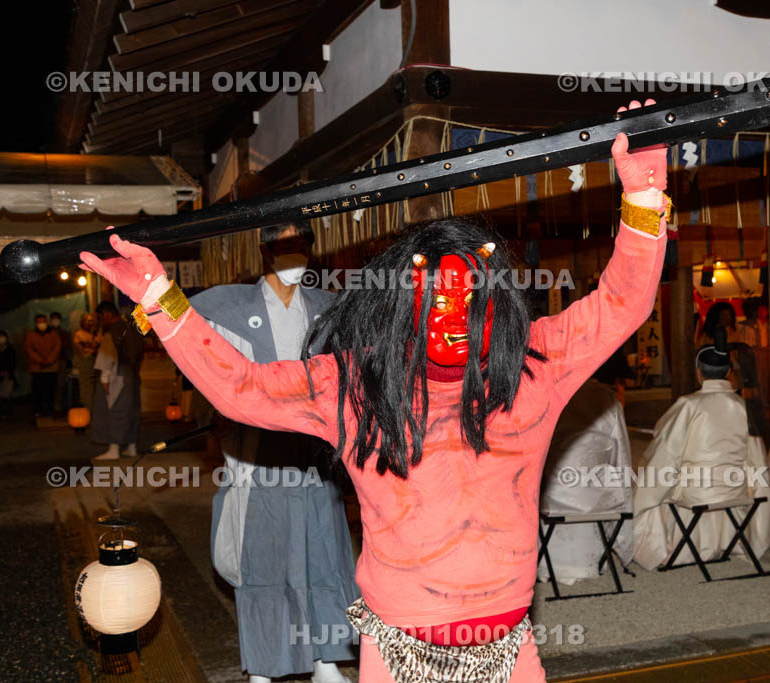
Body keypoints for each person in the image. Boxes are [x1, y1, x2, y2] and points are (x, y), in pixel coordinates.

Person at [80, 108, 667, 681]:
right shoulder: (354, 388)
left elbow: (624, 303)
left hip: (510, 651)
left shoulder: (532, 367)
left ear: (495, 305)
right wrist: (158, 298)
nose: (452, 317)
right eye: (434, 299)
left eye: (467, 299)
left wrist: (642, 201)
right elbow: (241, 387)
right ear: (399, 308)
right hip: (396, 650)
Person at [188, 221, 358, 683]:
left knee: (323, 558)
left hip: (314, 454)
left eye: (302, 246)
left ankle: (326, 661)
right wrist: (144, 296)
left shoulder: (327, 306)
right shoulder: (230, 303)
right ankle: (263, 668)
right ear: (265, 252)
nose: (294, 255)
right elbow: (174, 317)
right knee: (263, 563)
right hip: (258, 454)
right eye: (284, 247)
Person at [631, 331, 770, 571]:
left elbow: (666, 453)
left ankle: (673, 548)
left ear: (698, 373)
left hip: (696, 494)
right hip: (734, 491)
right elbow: (756, 459)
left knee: (648, 485)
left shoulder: (688, 405)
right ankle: (730, 543)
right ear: (729, 372)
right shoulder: (742, 407)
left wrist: (646, 486)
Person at [538, 379, 633, 585]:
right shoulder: (605, 396)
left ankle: (543, 561)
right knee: (609, 481)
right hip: (594, 495)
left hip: (553, 492)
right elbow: (620, 451)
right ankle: (592, 560)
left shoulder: (545, 391)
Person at [92, 301, 144, 460]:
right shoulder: (133, 329)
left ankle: (114, 448)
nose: (101, 320)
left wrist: (104, 378)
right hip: (133, 374)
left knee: (115, 411)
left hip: (117, 375)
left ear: (107, 315)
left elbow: (107, 357)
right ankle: (131, 447)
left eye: (101, 317)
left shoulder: (112, 332)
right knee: (132, 411)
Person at [25, 313, 61, 417]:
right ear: (36, 323)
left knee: (51, 390)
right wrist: (40, 360)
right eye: (39, 322)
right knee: (37, 390)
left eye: (43, 322)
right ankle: (38, 410)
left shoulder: (53, 334)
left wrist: (49, 360)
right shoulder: (30, 335)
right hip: (37, 368)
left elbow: (57, 348)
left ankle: (50, 409)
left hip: (51, 367)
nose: (42, 324)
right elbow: (29, 349)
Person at [72, 313, 100, 410]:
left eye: (92, 320)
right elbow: (83, 351)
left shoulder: (96, 334)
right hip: (85, 367)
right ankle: (88, 411)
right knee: (86, 391)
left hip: (96, 366)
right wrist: (93, 350)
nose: (90, 323)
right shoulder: (78, 335)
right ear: (82, 322)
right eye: (88, 320)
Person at [0, 330, 17, 419]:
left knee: (9, 395)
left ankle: (9, 413)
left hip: (9, 375)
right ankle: (0, 413)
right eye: (0, 337)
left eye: (3, 337)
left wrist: (8, 371)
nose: (2, 339)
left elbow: (13, 362)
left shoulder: (10, 349)